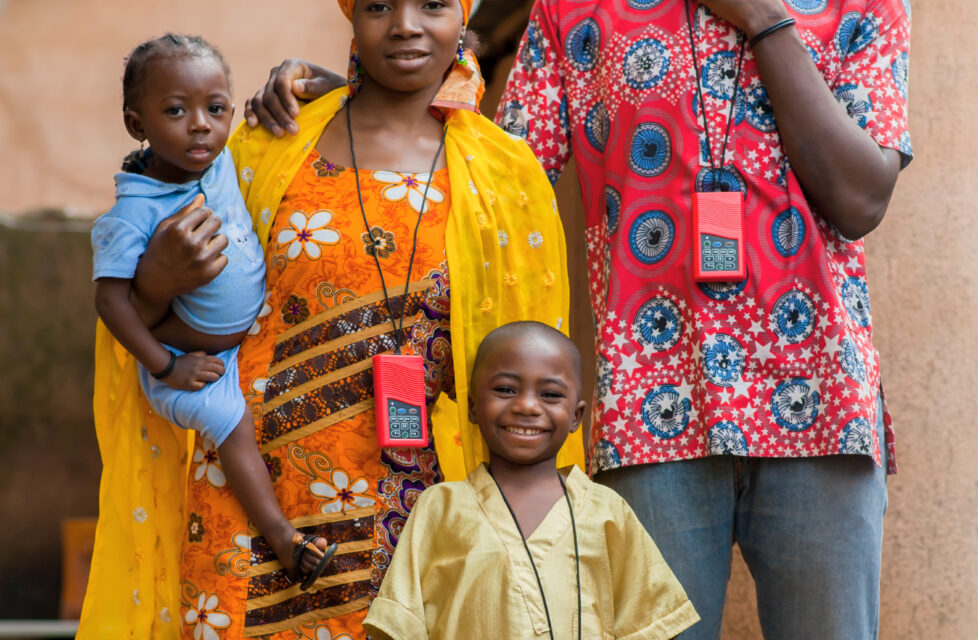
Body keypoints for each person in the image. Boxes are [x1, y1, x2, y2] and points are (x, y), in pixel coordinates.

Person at [249, 0, 912, 637]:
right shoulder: (573, 8)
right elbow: (494, 173)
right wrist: (360, 104)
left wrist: (765, 18)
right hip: (654, 410)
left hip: (819, 401)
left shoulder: (862, 4)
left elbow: (860, 198)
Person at [79, 2, 583, 639]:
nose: (403, 24)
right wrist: (154, 282)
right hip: (247, 501)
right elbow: (169, 312)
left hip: (415, 515)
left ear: (462, 17)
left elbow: (526, 382)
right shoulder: (270, 143)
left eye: (431, 4)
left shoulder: (506, 176)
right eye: (377, 5)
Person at [90, 33, 336, 597]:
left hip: (249, 341)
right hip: (186, 359)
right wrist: (165, 367)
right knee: (235, 427)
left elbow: (335, 97)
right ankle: (283, 539)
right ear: (137, 124)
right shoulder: (135, 211)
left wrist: (298, 74)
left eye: (215, 108)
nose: (200, 124)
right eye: (175, 111)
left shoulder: (223, 160)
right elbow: (110, 301)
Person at [362, 321, 699, 640]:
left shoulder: (607, 511)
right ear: (473, 407)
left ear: (576, 417)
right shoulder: (439, 507)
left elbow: (651, 622)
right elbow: (401, 625)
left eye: (550, 395)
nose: (526, 406)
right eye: (506, 389)